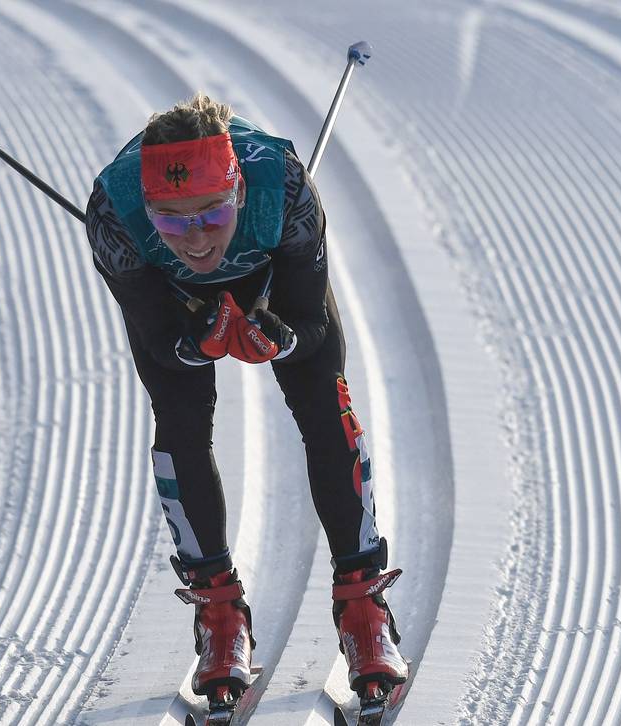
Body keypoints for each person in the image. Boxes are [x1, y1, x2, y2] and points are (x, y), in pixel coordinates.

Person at [84, 93, 408, 702]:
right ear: (148, 209)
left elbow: (310, 321)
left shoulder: (283, 186)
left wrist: (283, 339)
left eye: (211, 212)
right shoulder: (113, 212)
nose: (197, 238)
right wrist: (192, 345)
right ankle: (219, 617)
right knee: (178, 423)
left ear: (238, 192)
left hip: (271, 280)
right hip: (171, 296)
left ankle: (364, 611)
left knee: (326, 406)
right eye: (173, 220)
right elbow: (156, 341)